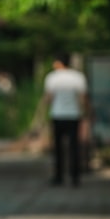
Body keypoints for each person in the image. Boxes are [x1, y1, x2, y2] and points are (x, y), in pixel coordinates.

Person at [43, 52, 89, 186]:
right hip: (74, 115)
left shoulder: (52, 78)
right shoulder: (78, 77)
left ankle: (58, 176)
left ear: (58, 63)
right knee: (74, 146)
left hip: (57, 115)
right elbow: (83, 98)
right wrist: (87, 111)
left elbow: (49, 98)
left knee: (58, 148)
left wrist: (46, 107)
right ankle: (75, 176)